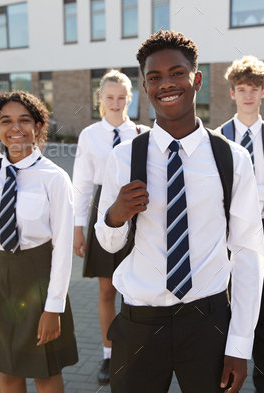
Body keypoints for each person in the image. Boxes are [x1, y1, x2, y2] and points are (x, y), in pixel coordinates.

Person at [94, 30, 264, 393]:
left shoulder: (231, 158)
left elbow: (249, 254)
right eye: (155, 77)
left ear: (196, 80)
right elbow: (109, 245)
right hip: (140, 322)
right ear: (144, 86)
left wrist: (239, 345)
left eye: (177, 73)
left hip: (207, 323)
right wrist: (115, 215)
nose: (166, 84)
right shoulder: (124, 158)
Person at [0, 92, 78, 392]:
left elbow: (63, 248)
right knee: (8, 372)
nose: (14, 128)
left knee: (44, 373)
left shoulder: (54, 178)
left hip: (38, 278)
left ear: (39, 126)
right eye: (6, 121)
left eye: (24, 120)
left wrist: (53, 307)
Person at [216, 56, 264, 393]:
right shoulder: (216, 139)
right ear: (232, 92)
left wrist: (243, 193)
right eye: (241, 89)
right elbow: (217, 192)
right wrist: (262, 199)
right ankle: (219, 378)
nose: (248, 95)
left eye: (254, 89)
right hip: (225, 230)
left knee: (259, 313)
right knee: (221, 308)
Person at [72, 69, 149, 384]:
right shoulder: (90, 135)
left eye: (121, 97)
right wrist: (79, 227)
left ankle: (136, 354)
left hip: (138, 212)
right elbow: (82, 184)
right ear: (100, 99)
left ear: (130, 99)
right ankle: (107, 354)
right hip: (103, 209)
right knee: (107, 290)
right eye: (109, 97)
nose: (115, 103)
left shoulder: (144, 134)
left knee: (136, 291)